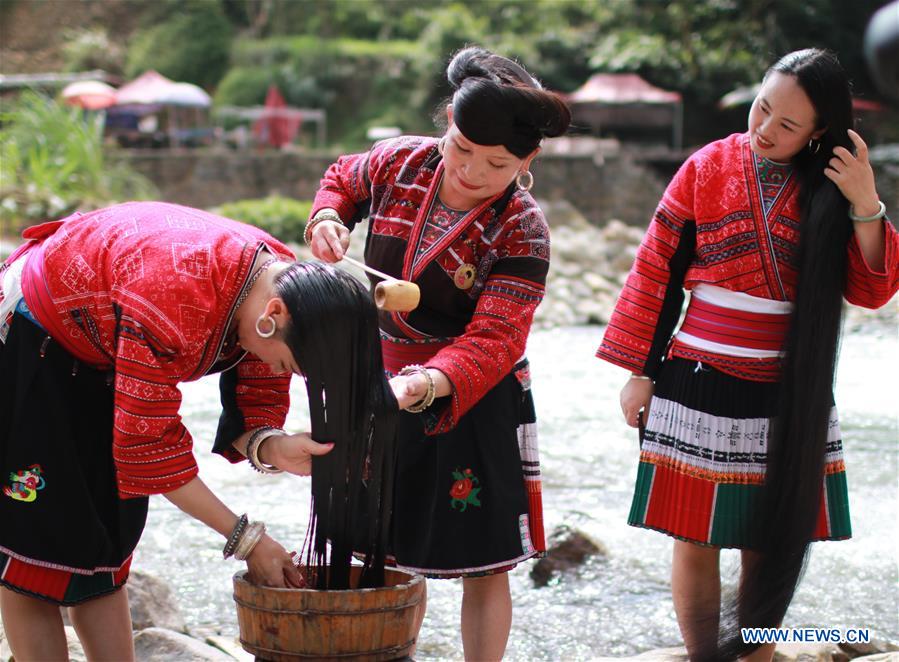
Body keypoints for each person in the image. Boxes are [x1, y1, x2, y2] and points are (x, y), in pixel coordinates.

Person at [596, 49, 898, 660]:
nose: (765, 129)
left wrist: (865, 199)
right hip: (694, 377)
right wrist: (640, 373)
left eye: (787, 126)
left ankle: (757, 654)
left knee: (772, 536)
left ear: (821, 132)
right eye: (762, 108)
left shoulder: (834, 186)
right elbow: (658, 269)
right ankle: (706, 656)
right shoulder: (706, 167)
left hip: (788, 386)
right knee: (694, 536)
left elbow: (871, 289)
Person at [0, 201, 389, 661]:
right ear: (275, 314)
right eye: (293, 365)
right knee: (35, 558)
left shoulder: (284, 292)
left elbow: (251, 414)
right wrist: (247, 540)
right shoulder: (173, 299)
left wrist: (275, 448)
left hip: (106, 346)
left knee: (105, 549)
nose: (288, 372)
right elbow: (151, 450)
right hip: (36, 337)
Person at [306, 46, 570, 661]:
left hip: (473, 397)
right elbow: (343, 177)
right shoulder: (401, 162)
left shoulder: (522, 228)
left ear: (529, 160)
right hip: (383, 374)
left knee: (485, 562)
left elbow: (497, 337)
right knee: (388, 552)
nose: (470, 171)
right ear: (448, 120)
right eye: (460, 148)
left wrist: (428, 384)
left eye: (497, 163)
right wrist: (326, 217)